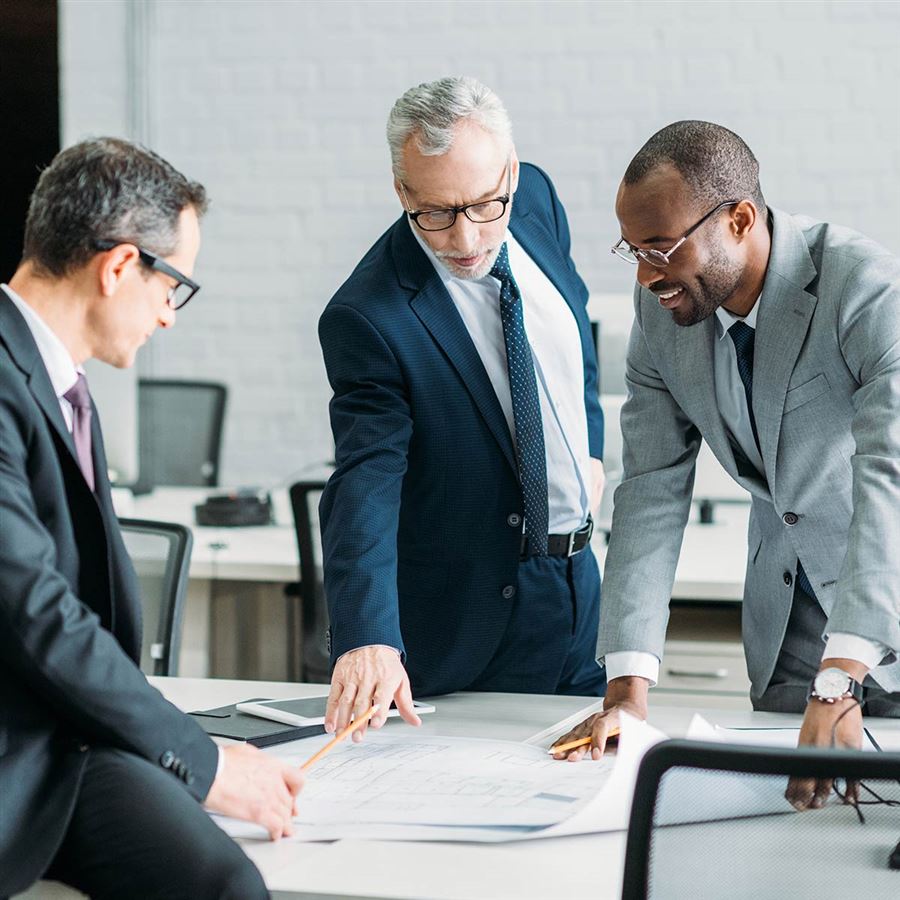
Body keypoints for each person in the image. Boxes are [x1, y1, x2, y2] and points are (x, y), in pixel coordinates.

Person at [554, 121, 900, 807]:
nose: (648, 275)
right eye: (634, 251)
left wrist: (843, 673)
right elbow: (651, 486)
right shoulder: (662, 315)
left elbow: (890, 471)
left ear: (739, 219)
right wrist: (627, 687)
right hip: (788, 629)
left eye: (662, 248)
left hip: (882, 591)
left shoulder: (862, 287)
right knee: (787, 829)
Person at [0, 138, 303, 899]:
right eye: (174, 287)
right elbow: (37, 614)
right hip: (25, 752)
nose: (170, 316)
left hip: (66, 732)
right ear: (119, 266)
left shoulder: (58, 378)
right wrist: (199, 760)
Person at [318, 76, 607, 740]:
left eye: (483, 205)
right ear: (402, 192)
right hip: (479, 618)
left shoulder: (535, 200)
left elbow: (572, 335)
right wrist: (367, 635)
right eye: (436, 213)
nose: (465, 237)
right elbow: (365, 478)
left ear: (509, 172)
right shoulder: (370, 315)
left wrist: (588, 449)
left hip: (579, 588)